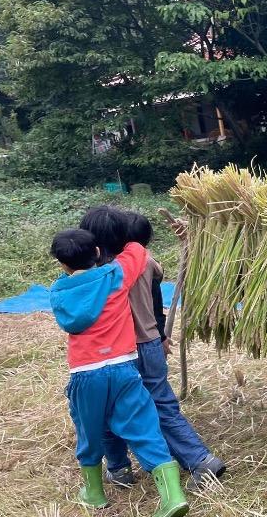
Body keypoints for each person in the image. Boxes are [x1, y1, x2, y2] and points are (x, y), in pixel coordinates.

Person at [48, 228, 189, 517]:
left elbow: (68, 322)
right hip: (124, 367)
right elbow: (136, 250)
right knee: (143, 426)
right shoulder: (115, 276)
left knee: (90, 430)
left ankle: (94, 493)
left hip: (85, 374)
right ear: (98, 252)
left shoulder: (59, 292)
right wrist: (122, 232)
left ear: (61, 263)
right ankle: (172, 497)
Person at [96, 210, 227, 491]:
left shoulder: (107, 273)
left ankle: (124, 467)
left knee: (113, 408)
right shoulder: (143, 262)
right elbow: (155, 296)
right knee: (160, 404)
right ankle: (198, 459)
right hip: (151, 344)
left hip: (125, 352)